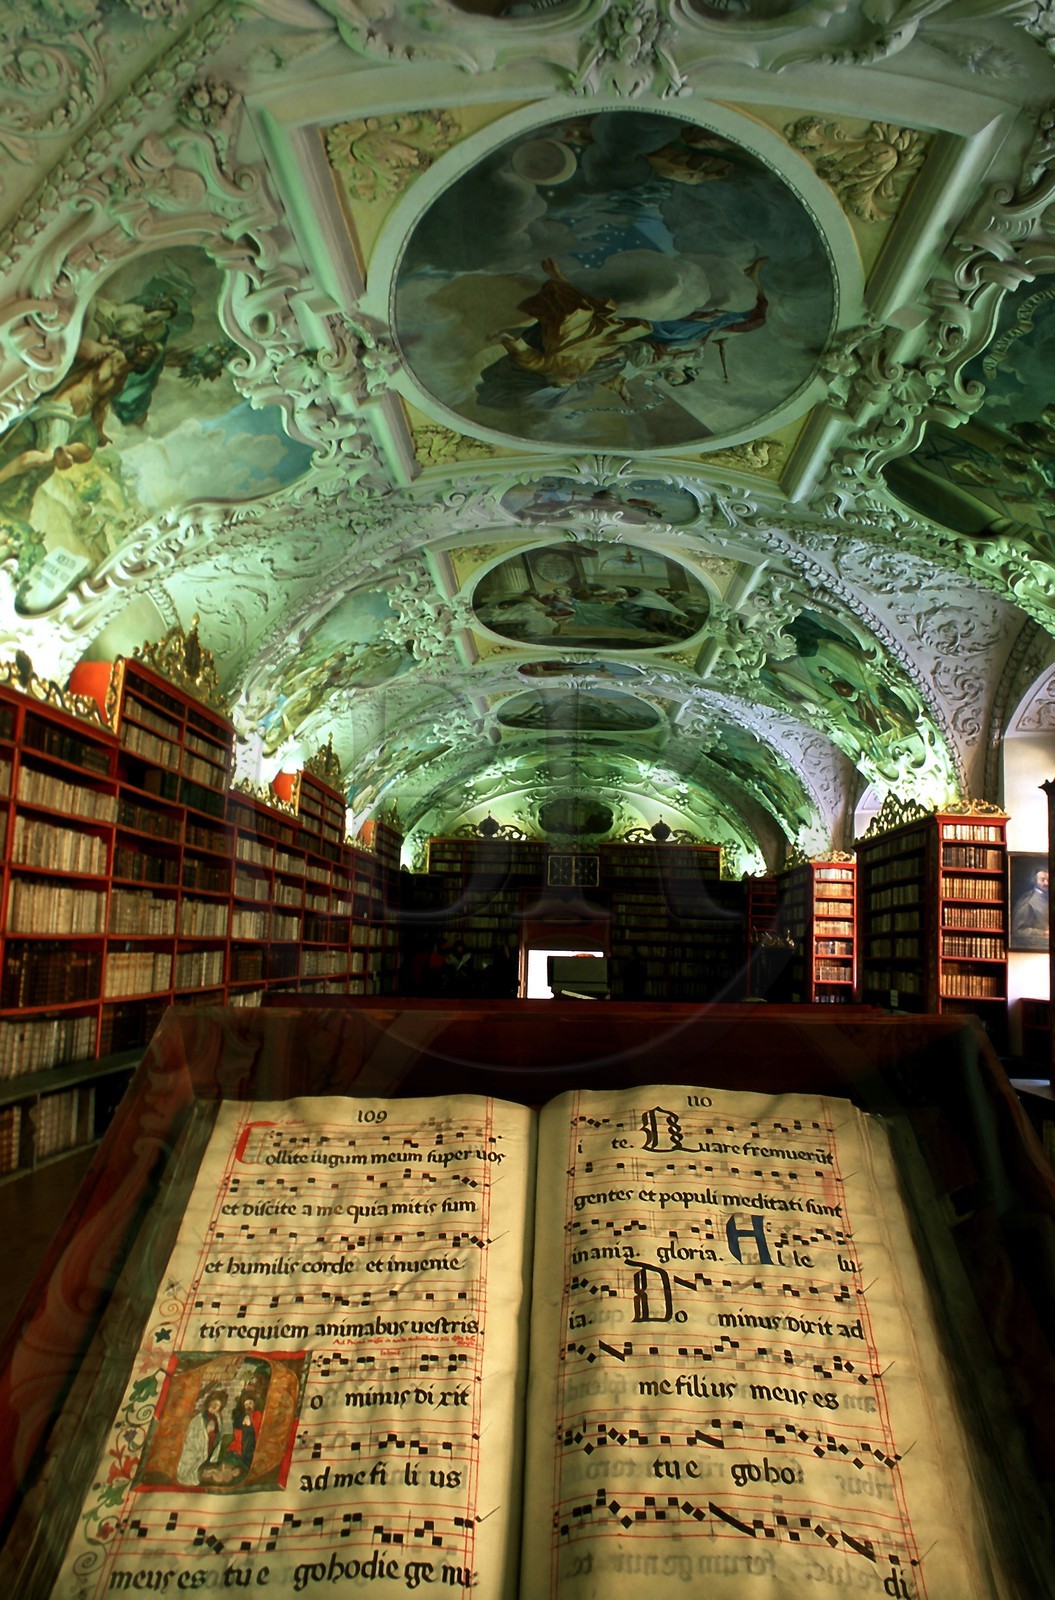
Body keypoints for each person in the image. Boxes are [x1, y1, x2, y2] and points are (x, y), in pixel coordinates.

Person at [176, 1388, 227, 1485]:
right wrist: (205, 1432)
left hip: (210, 1445)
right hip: (197, 1447)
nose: (214, 1407)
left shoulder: (218, 1419)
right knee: (191, 1467)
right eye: (213, 1404)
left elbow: (219, 1433)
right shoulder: (199, 1418)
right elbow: (192, 1435)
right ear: (209, 1403)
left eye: (217, 1406)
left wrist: (214, 1433)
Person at [1012, 866, 1049, 950]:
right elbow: (1019, 931)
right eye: (1042, 880)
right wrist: (1043, 933)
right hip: (1037, 948)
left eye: (1048, 879)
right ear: (1035, 881)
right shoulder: (1028, 902)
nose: (1046, 883)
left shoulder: (1048, 897)